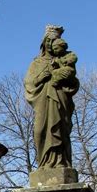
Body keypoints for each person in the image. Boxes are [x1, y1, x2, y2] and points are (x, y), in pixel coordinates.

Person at [24, 26, 80, 168]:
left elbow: (73, 82)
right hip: (43, 100)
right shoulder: (36, 63)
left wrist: (63, 77)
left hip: (60, 99)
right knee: (40, 131)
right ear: (44, 42)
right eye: (48, 40)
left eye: (54, 41)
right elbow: (29, 83)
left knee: (60, 130)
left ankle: (60, 161)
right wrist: (42, 77)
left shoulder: (65, 60)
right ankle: (43, 163)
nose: (50, 44)